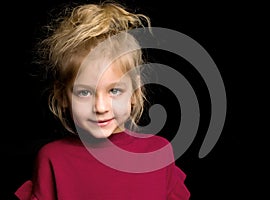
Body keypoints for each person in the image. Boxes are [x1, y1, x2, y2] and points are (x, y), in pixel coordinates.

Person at [14, 1, 190, 199]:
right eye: (84, 93)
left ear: (134, 92)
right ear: (62, 96)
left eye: (114, 91)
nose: (100, 107)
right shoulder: (52, 159)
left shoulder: (158, 153)